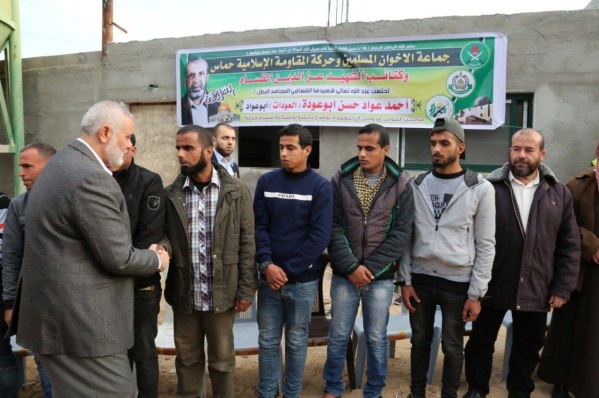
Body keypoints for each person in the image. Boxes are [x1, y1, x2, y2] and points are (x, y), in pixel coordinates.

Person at [15, 100, 169, 397]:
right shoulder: (90, 177)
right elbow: (119, 257)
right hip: (82, 330)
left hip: (61, 324)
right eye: (126, 137)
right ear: (105, 132)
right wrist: (156, 259)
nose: (129, 145)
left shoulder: (62, 163)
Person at [463, 128, 580, 398]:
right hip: (491, 283)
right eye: (516, 149)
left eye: (529, 150)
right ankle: (477, 389)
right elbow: (469, 237)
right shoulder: (488, 188)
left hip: (537, 284)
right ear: (509, 152)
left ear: (542, 154)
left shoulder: (559, 194)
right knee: (480, 342)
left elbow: (569, 246)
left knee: (528, 345)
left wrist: (562, 288)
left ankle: (519, 391)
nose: (522, 155)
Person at [157, 124, 256, 398]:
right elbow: (165, 236)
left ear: (208, 151)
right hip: (185, 295)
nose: (180, 154)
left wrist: (246, 289)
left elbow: (248, 243)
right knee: (187, 361)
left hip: (221, 295)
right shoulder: (171, 194)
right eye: (178, 147)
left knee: (222, 362)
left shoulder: (236, 192)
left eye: (188, 148)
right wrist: (163, 248)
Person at [400, 117, 496, 398]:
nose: (437, 149)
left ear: (461, 147)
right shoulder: (416, 185)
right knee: (419, 342)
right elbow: (407, 236)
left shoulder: (480, 188)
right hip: (420, 279)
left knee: (452, 346)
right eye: (433, 143)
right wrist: (405, 280)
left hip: (458, 282)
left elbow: (486, 244)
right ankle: (416, 393)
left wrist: (476, 294)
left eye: (445, 143)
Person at [323, 124, 414, 398]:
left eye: (370, 148)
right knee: (338, 335)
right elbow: (333, 226)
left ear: (385, 150)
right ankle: (334, 386)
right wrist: (351, 267)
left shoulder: (401, 184)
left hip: (380, 278)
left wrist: (370, 269)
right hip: (344, 274)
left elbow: (401, 234)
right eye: (359, 147)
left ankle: (374, 390)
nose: (362, 154)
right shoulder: (341, 180)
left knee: (376, 338)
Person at [255, 124, 333, 398]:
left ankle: (291, 393)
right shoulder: (267, 182)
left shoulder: (321, 187)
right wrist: (267, 265)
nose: (284, 154)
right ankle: (266, 392)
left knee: (297, 342)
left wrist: (284, 271)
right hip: (268, 280)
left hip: (302, 283)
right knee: (267, 341)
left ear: (307, 150)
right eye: (281, 148)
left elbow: (319, 236)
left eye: (291, 148)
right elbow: (259, 227)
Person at [536, 140, 599, 398]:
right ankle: (560, 380)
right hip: (581, 269)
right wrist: (592, 245)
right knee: (568, 328)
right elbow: (564, 224)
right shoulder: (578, 184)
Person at [108, 134, 165, 398]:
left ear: (134, 149)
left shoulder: (149, 181)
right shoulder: (98, 179)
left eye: (122, 146)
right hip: (106, 287)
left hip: (141, 285)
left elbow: (148, 238)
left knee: (143, 351)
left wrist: (114, 258)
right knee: (114, 355)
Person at [2, 143, 57, 397]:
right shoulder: (18, 206)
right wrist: (11, 303)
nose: (21, 173)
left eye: (27, 166)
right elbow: (11, 258)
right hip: (36, 306)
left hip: (71, 305)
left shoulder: (73, 200)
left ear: (50, 167)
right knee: (46, 368)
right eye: (20, 166)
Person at [0, 190, 19, 398]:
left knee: (3, 359)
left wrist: (8, 302)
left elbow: (7, 254)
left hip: (2, 290)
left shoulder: (3, 204)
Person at [180, 57, 220, 126]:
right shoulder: (179, 107)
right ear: (185, 81)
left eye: (201, 74)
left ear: (207, 78)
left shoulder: (218, 106)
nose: (196, 81)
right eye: (191, 75)